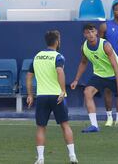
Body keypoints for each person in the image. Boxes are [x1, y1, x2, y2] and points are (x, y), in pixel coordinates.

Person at [26, 30, 78, 164]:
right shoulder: (58, 56)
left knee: (41, 127)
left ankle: (41, 158)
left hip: (42, 96)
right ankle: (72, 156)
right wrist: (62, 90)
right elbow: (59, 71)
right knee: (65, 125)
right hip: (57, 96)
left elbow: (29, 76)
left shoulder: (37, 56)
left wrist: (30, 94)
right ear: (57, 41)